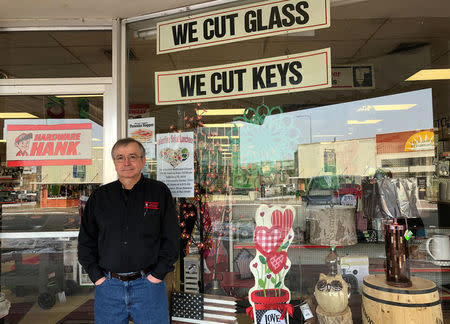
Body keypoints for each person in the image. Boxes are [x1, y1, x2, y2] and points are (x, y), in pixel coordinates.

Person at [78, 138, 180, 324]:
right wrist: (97, 277)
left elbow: (172, 239)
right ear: (115, 163)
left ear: (143, 160)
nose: (126, 163)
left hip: (148, 286)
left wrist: (157, 275)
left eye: (132, 157)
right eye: (120, 158)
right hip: (109, 286)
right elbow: (86, 242)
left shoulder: (159, 192)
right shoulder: (99, 197)